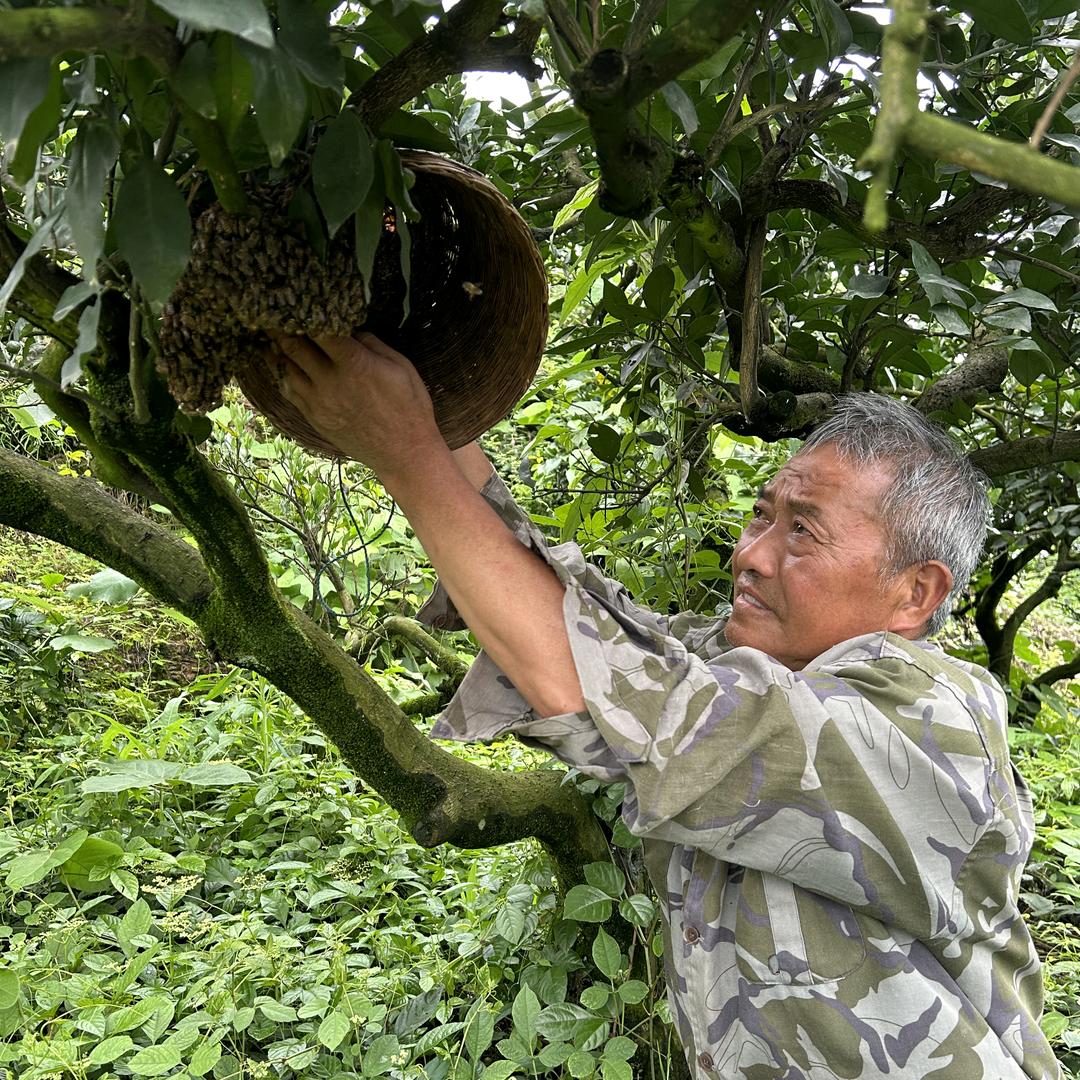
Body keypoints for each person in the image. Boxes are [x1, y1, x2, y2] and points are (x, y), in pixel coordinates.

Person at [273, 331, 1062, 1080]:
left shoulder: (933, 722)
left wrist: (406, 450)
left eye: (802, 532)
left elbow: (600, 687)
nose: (749, 556)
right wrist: (428, 399)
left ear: (915, 592)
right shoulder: (750, 663)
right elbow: (582, 622)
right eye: (761, 514)